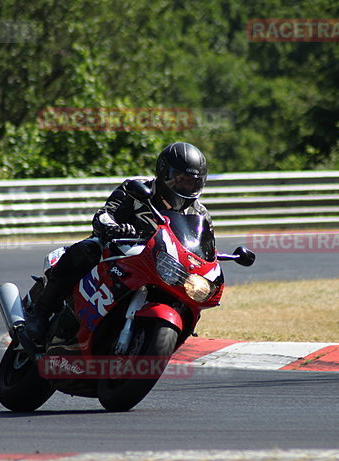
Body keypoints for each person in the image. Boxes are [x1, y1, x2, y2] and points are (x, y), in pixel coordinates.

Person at [25, 141, 212, 342]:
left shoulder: (200, 214)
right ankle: (41, 313)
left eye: (192, 182)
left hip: (158, 262)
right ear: (164, 172)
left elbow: (204, 247)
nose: (186, 186)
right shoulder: (137, 187)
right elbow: (105, 213)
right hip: (117, 248)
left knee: (190, 287)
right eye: (181, 180)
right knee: (85, 251)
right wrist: (112, 226)